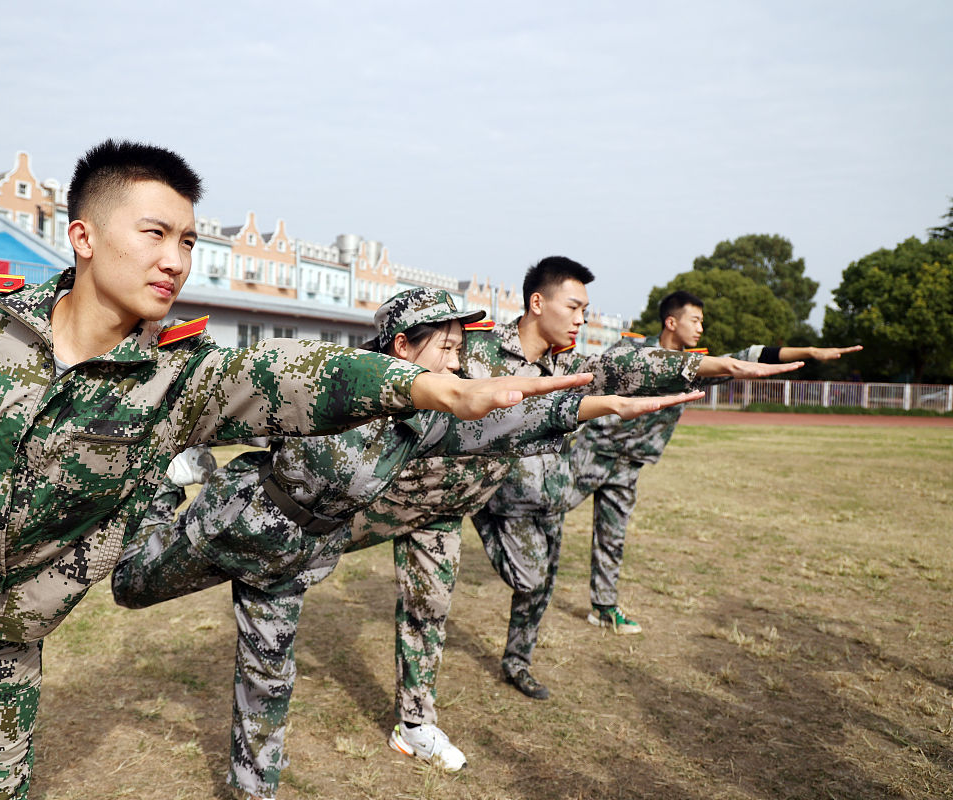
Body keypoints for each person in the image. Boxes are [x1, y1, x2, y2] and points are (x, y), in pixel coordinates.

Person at [0, 141, 567, 800]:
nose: (176, 258)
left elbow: (297, 375)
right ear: (83, 236)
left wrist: (425, 386)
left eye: (188, 241)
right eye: (154, 233)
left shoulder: (182, 382)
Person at [111, 286, 705, 800]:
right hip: (233, 521)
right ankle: (166, 484)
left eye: (458, 348)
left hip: (296, 555)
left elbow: (511, 422)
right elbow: (229, 399)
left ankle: (253, 789)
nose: (458, 360)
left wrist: (603, 406)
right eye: (447, 349)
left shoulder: (424, 420)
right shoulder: (328, 388)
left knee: (268, 681)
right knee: (127, 586)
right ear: (402, 347)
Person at [344, 256, 806, 763]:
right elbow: (386, 360)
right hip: (389, 489)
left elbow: (629, 365)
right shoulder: (474, 344)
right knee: (295, 554)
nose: (582, 317)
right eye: (575, 306)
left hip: (455, 508)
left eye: (587, 308)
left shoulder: (567, 368)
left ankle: (415, 724)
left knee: (430, 609)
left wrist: (710, 364)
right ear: (538, 303)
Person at [563, 290, 862, 634]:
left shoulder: (696, 368)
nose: (701, 328)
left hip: (631, 464)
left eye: (702, 321)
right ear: (671, 322)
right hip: (594, 452)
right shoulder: (631, 351)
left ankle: (603, 608)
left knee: (612, 537)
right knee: (547, 508)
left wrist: (809, 351)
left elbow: (748, 356)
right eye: (695, 320)